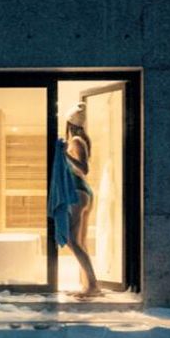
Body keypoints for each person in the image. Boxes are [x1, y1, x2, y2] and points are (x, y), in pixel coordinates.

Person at [64, 103, 100, 298]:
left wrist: (64, 155)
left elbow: (84, 169)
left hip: (79, 191)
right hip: (82, 192)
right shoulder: (80, 140)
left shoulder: (77, 140)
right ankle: (90, 285)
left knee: (72, 240)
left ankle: (92, 285)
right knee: (80, 241)